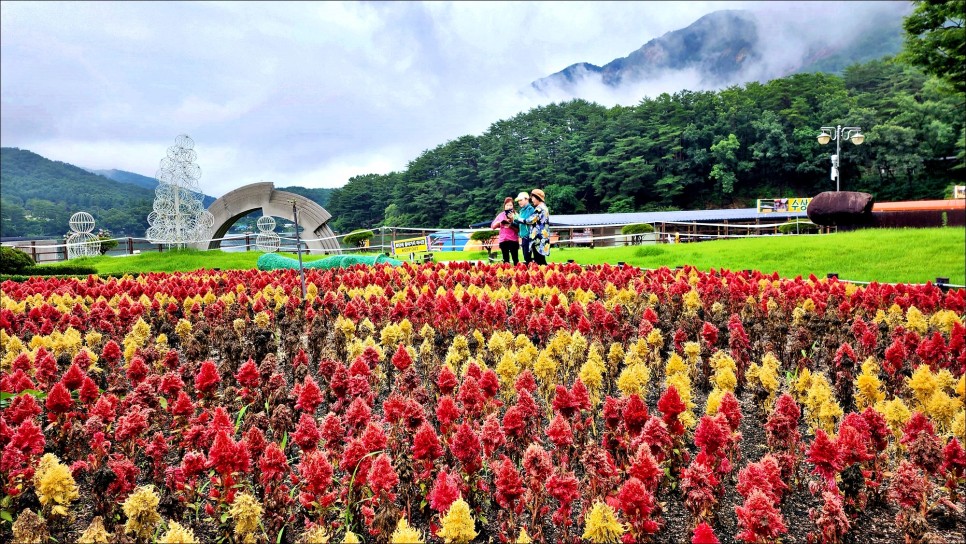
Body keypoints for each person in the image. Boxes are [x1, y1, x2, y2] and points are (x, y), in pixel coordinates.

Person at [518, 188, 550, 265]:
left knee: (540, 261)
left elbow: (530, 220)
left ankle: (546, 275)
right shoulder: (544, 207)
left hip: (538, 239)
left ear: (537, 197)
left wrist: (519, 219)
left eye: (532, 198)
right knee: (540, 260)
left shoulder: (539, 208)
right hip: (543, 237)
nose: (532, 200)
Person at [490, 197, 520, 264]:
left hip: (513, 239)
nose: (509, 207)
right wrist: (499, 222)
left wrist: (511, 224)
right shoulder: (501, 215)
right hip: (503, 240)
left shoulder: (516, 215)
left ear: (513, 206)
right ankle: (507, 273)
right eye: (507, 205)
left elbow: (519, 229)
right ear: (504, 206)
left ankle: (517, 272)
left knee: (515, 259)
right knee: (505, 259)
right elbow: (492, 226)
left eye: (510, 205)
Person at [513, 192, 535, 264]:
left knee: (527, 256)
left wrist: (517, 217)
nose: (519, 202)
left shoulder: (530, 209)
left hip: (529, 235)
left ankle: (534, 267)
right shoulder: (521, 210)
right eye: (518, 201)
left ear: (527, 199)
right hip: (523, 236)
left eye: (521, 200)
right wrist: (511, 221)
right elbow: (519, 223)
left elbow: (527, 221)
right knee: (526, 256)